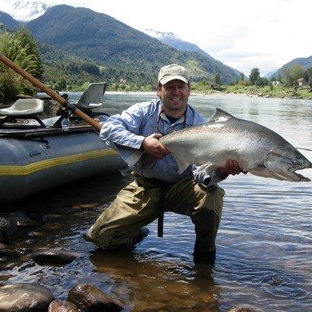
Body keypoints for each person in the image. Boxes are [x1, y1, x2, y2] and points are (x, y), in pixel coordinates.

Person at [86, 64, 242, 263]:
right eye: (169, 86)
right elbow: (108, 129)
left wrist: (222, 171)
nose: (176, 92)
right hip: (145, 187)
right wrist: (142, 143)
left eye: (181, 86)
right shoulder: (143, 111)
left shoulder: (201, 126)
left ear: (189, 90)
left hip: (183, 186)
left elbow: (201, 175)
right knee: (100, 238)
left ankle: (204, 258)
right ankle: (135, 232)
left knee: (210, 196)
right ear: (159, 90)